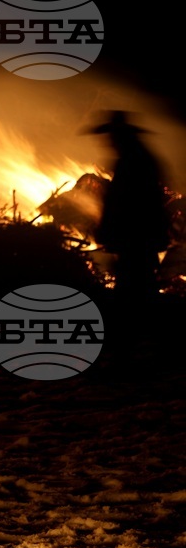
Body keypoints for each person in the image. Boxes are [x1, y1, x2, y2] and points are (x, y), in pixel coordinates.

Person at [88, 111, 173, 362]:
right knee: (141, 287)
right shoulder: (138, 159)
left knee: (134, 288)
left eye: (111, 137)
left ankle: (127, 346)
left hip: (137, 236)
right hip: (140, 236)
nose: (108, 142)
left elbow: (127, 203)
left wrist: (109, 230)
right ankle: (143, 341)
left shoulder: (133, 162)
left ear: (121, 136)